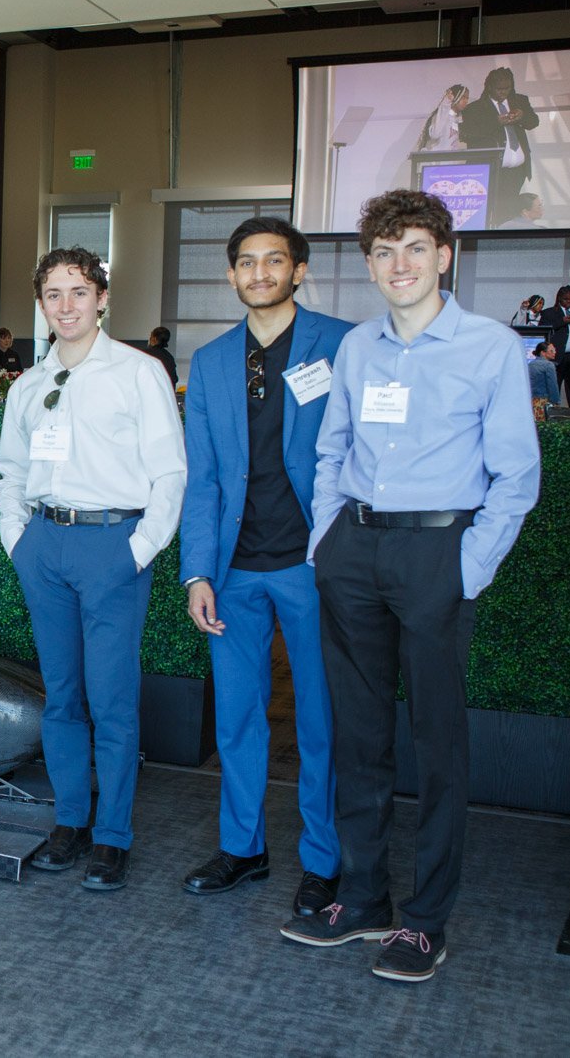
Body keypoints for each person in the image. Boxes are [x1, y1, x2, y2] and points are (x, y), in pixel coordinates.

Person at [280, 190, 539, 983]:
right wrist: (327, 541)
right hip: (355, 549)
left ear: (445, 256)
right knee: (359, 736)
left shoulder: (491, 347)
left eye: (416, 248)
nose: (401, 265)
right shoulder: (358, 347)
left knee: (436, 743)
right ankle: (363, 898)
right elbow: (332, 450)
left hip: (438, 553)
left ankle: (426, 920)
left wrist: (468, 566)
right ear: (369, 264)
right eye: (385, 251)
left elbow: (517, 476)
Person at [0, 246, 186, 892]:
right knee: (62, 697)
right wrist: (17, 540)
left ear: (102, 298)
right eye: (54, 294)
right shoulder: (28, 385)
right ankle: (70, 820)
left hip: (113, 546)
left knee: (111, 700)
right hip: (44, 545)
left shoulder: (139, 372)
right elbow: (11, 472)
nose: (66, 305)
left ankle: (112, 835)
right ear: (41, 303)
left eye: (79, 291)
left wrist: (139, 549)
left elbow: (170, 472)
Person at [179, 217, 353, 917]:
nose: (260, 272)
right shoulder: (211, 360)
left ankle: (324, 859)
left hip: (314, 563)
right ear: (231, 275)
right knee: (238, 718)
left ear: (298, 270)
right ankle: (243, 847)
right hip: (234, 570)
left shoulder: (341, 345)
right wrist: (197, 572)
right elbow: (202, 478)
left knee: (321, 720)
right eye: (247, 262)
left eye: (274, 260)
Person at [458, 67, 539, 218]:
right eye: (499, 89)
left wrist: (522, 116)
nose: (503, 92)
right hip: (491, 172)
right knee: (487, 213)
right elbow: (467, 134)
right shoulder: (475, 108)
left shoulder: (520, 101)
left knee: (508, 214)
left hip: (517, 171)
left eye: (507, 88)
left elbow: (533, 122)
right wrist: (496, 122)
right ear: (489, 87)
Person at [414, 84, 469, 152]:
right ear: (455, 97)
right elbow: (435, 134)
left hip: (449, 158)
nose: (466, 101)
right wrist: (445, 104)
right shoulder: (441, 115)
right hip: (435, 157)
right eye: (463, 97)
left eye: (467, 98)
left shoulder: (458, 119)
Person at [528, 341, 559, 417]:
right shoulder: (549, 365)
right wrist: (556, 401)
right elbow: (552, 386)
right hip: (543, 402)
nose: (554, 352)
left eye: (554, 350)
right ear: (543, 353)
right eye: (551, 351)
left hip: (531, 401)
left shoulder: (530, 364)